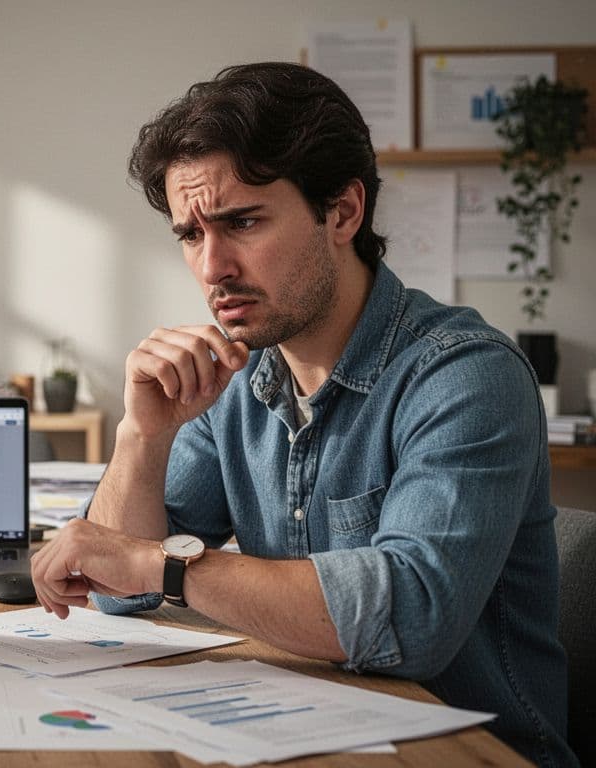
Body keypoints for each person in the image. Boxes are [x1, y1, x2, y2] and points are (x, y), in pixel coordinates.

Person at [29, 63, 575, 767]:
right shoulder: (238, 376)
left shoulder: (467, 375)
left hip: (465, 752)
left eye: (242, 222)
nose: (211, 267)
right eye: (191, 234)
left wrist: (155, 566)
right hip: (307, 736)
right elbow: (118, 594)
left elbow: (411, 618)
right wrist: (144, 433)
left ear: (343, 212)